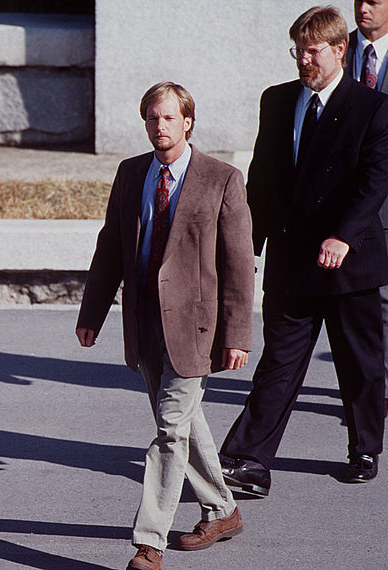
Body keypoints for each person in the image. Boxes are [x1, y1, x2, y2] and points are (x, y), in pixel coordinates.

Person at [76, 82, 254, 570]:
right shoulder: (130, 173)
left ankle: (148, 543)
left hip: (195, 330)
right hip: (144, 324)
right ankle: (223, 509)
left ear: (188, 122)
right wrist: (92, 313)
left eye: (169, 118)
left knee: (169, 431)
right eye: (152, 118)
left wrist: (238, 336)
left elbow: (239, 265)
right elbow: (110, 246)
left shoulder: (222, 179)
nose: (160, 126)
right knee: (184, 420)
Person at [221, 6, 388, 496]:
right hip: (292, 260)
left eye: (313, 50)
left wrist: (344, 236)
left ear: (340, 50)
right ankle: (248, 460)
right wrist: (244, 246)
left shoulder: (372, 108)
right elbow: (264, 180)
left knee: (359, 363)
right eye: (298, 50)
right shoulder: (277, 101)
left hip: (348, 262)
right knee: (280, 361)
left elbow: (374, 182)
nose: (304, 60)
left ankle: (364, 450)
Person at [346, 0, 388, 419]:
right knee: (360, 309)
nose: (363, 8)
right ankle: (365, 393)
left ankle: (382, 392)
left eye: (374, 1)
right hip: (345, 201)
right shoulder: (337, 49)